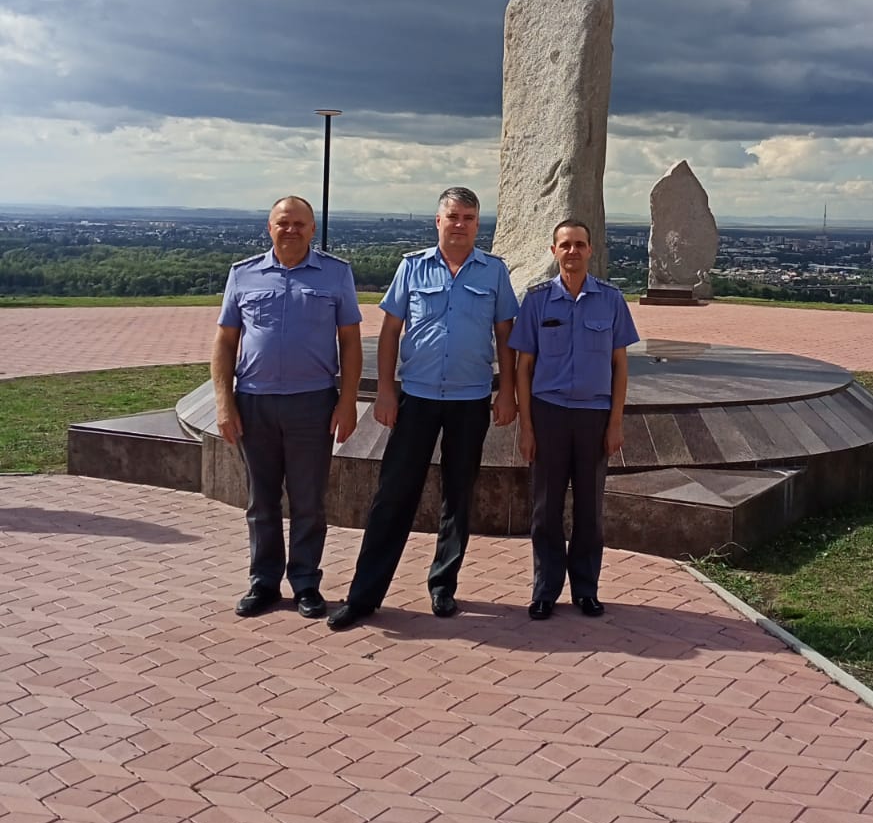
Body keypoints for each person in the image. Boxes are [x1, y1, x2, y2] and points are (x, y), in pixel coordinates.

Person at [327, 187, 517, 629]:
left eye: (469, 217)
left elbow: (506, 335)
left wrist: (507, 391)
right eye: (453, 216)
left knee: (459, 497)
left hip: (470, 399)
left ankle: (443, 586)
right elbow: (391, 331)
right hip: (417, 397)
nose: (460, 224)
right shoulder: (412, 266)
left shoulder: (493, 272)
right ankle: (364, 596)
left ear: (477, 224)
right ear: (438, 221)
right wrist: (387, 391)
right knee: (393, 496)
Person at [211, 195, 363, 620]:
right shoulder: (243, 275)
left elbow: (350, 342)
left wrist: (347, 401)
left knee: (308, 500)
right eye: (283, 223)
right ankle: (263, 583)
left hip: (313, 403)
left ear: (312, 229)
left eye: (300, 223)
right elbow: (225, 341)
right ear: (270, 228)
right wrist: (224, 403)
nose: (291, 229)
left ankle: (305, 584)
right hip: (254, 401)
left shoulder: (335, 275)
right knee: (261, 501)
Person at [510, 220, 639, 621]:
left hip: (593, 415)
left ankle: (585, 590)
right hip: (549, 413)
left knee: (589, 507)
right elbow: (523, 368)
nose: (572, 251)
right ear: (554, 251)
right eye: (565, 245)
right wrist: (527, 428)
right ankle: (545, 590)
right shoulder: (536, 301)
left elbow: (620, 366)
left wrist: (616, 422)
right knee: (546, 508)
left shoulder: (611, 300)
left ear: (590, 250)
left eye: (580, 244)